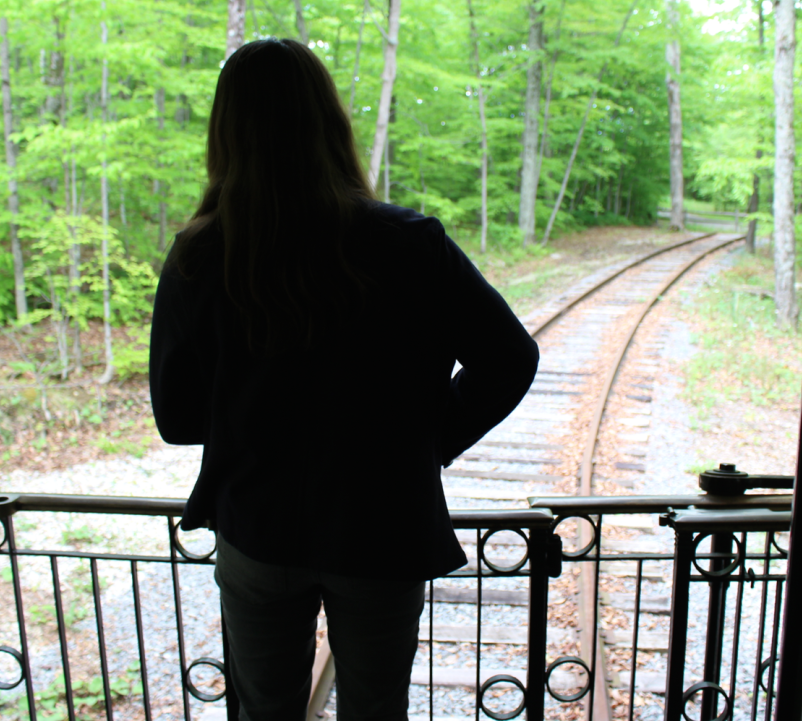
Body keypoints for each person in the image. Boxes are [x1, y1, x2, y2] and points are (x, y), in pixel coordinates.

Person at [149, 38, 538, 721]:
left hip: (257, 530)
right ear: (329, 124)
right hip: (381, 529)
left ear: (226, 133)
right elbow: (510, 357)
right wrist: (426, 441)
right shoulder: (411, 243)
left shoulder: (200, 256)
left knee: (264, 712)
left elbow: (178, 420)